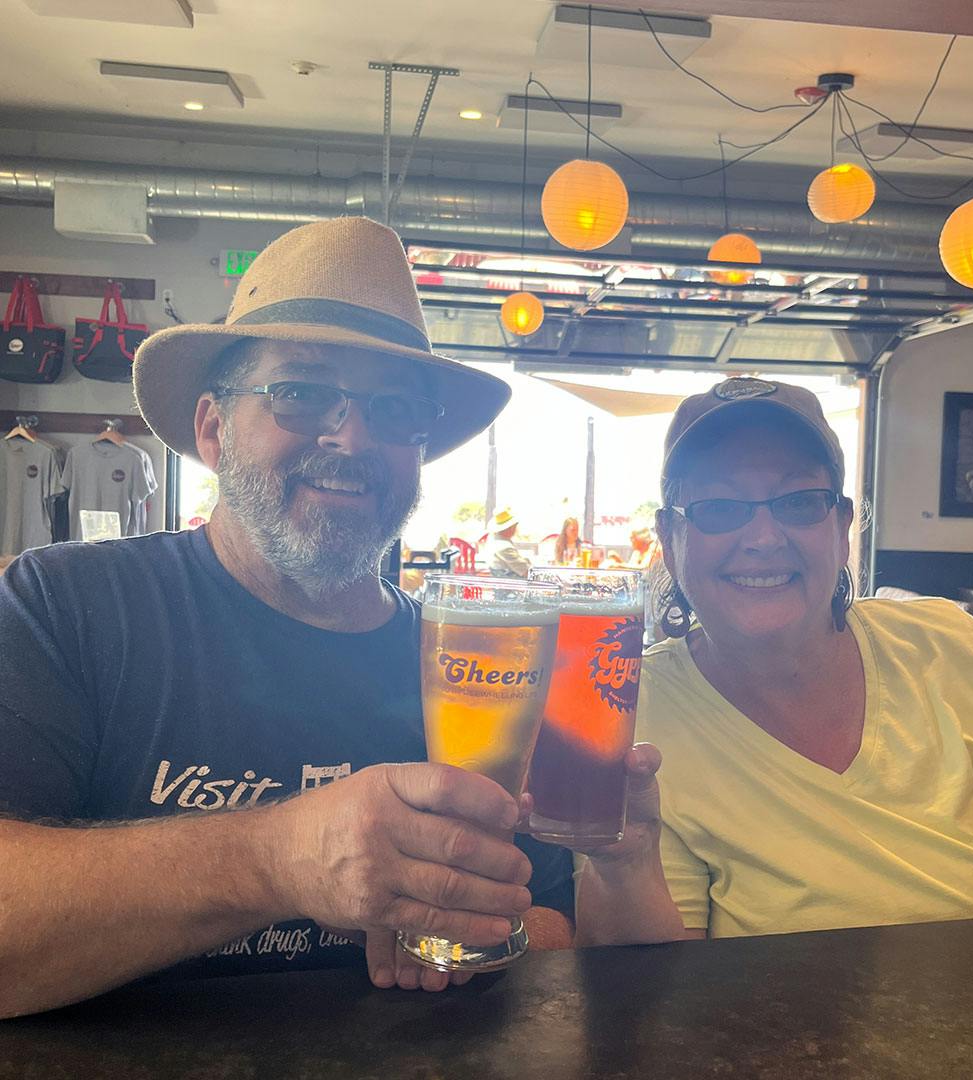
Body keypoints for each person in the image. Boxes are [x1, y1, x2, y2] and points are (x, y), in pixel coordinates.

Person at [0, 217, 573, 1019]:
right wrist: (281, 860)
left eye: (395, 407)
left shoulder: (472, 665)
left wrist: (459, 929)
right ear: (212, 428)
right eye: (301, 392)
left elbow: (550, 916)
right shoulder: (64, 608)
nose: (352, 436)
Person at [573, 376, 973, 946]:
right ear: (670, 538)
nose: (763, 537)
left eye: (798, 502)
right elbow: (649, 998)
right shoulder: (635, 713)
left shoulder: (950, 642)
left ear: (841, 528)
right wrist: (626, 868)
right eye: (718, 508)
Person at [479, 507, 532, 578]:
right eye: (514, 526)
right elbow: (526, 572)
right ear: (509, 528)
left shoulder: (494, 539)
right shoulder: (504, 547)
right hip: (511, 586)